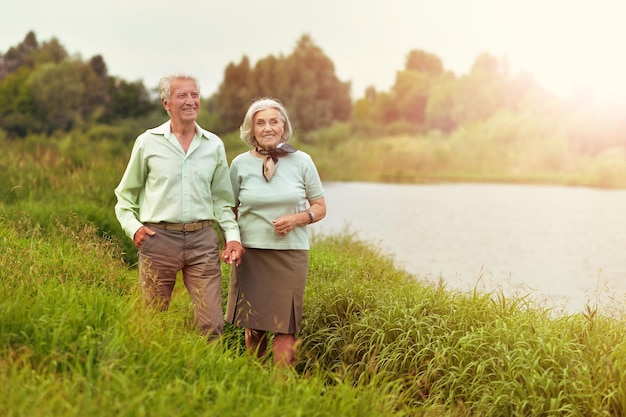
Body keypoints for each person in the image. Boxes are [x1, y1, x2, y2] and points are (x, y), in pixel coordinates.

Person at [114, 71, 244, 340]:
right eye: (181, 95)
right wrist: (133, 228)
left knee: (211, 323)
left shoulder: (214, 145)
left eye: (194, 94)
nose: (190, 100)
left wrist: (232, 237)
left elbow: (223, 200)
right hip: (157, 239)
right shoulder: (147, 142)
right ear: (166, 103)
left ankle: (208, 377)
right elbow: (125, 195)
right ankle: (153, 374)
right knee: (152, 318)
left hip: (202, 240)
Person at [225, 97, 326, 367]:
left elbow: (320, 207)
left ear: (283, 127)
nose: (268, 127)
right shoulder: (239, 165)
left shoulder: (302, 161)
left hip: (290, 253)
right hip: (252, 253)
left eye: (273, 121)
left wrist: (298, 218)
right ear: (251, 129)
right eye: (261, 122)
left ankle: (282, 387)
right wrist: (233, 240)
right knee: (254, 325)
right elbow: (229, 209)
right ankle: (256, 379)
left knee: (286, 325)